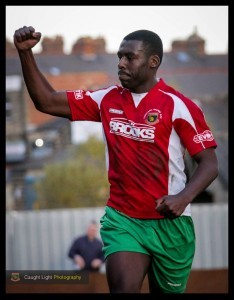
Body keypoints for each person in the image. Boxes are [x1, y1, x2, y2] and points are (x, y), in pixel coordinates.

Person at [13, 26, 218, 294]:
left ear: (152, 62)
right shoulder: (106, 99)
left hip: (171, 225)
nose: (120, 63)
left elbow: (210, 163)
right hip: (124, 219)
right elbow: (47, 101)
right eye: (119, 56)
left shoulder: (180, 106)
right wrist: (26, 53)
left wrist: (182, 198)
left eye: (129, 57)